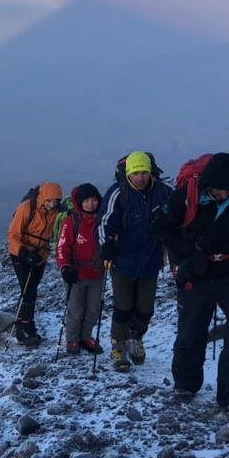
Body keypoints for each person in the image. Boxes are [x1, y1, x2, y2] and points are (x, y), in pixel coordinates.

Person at [155, 152, 229, 412]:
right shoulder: (188, 194)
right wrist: (188, 254)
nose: (224, 195)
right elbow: (162, 225)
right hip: (196, 274)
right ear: (208, 185)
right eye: (219, 191)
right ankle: (185, 384)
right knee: (191, 329)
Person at [98, 152, 169, 371]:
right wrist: (106, 245)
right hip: (123, 261)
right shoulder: (118, 192)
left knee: (145, 308)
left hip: (150, 260)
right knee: (123, 306)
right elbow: (104, 222)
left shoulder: (163, 192)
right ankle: (118, 346)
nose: (140, 177)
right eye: (136, 173)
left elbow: (175, 215)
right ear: (128, 173)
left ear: (150, 172)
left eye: (144, 172)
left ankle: (135, 337)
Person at [7, 182, 63, 347]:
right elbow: (12, 234)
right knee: (28, 289)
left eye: (55, 201)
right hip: (21, 253)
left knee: (31, 289)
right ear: (42, 197)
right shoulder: (27, 208)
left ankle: (22, 322)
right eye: (49, 201)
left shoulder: (57, 211)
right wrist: (24, 253)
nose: (52, 205)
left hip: (40, 255)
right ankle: (26, 328)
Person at [55, 183, 106, 356]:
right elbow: (62, 248)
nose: (91, 204)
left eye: (94, 200)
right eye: (87, 201)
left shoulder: (103, 221)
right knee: (75, 309)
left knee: (93, 309)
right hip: (75, 275)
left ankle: (85, 337)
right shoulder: (71, 222)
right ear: (80, 202)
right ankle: (72, 339)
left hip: (97, 273)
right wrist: (65, 268)